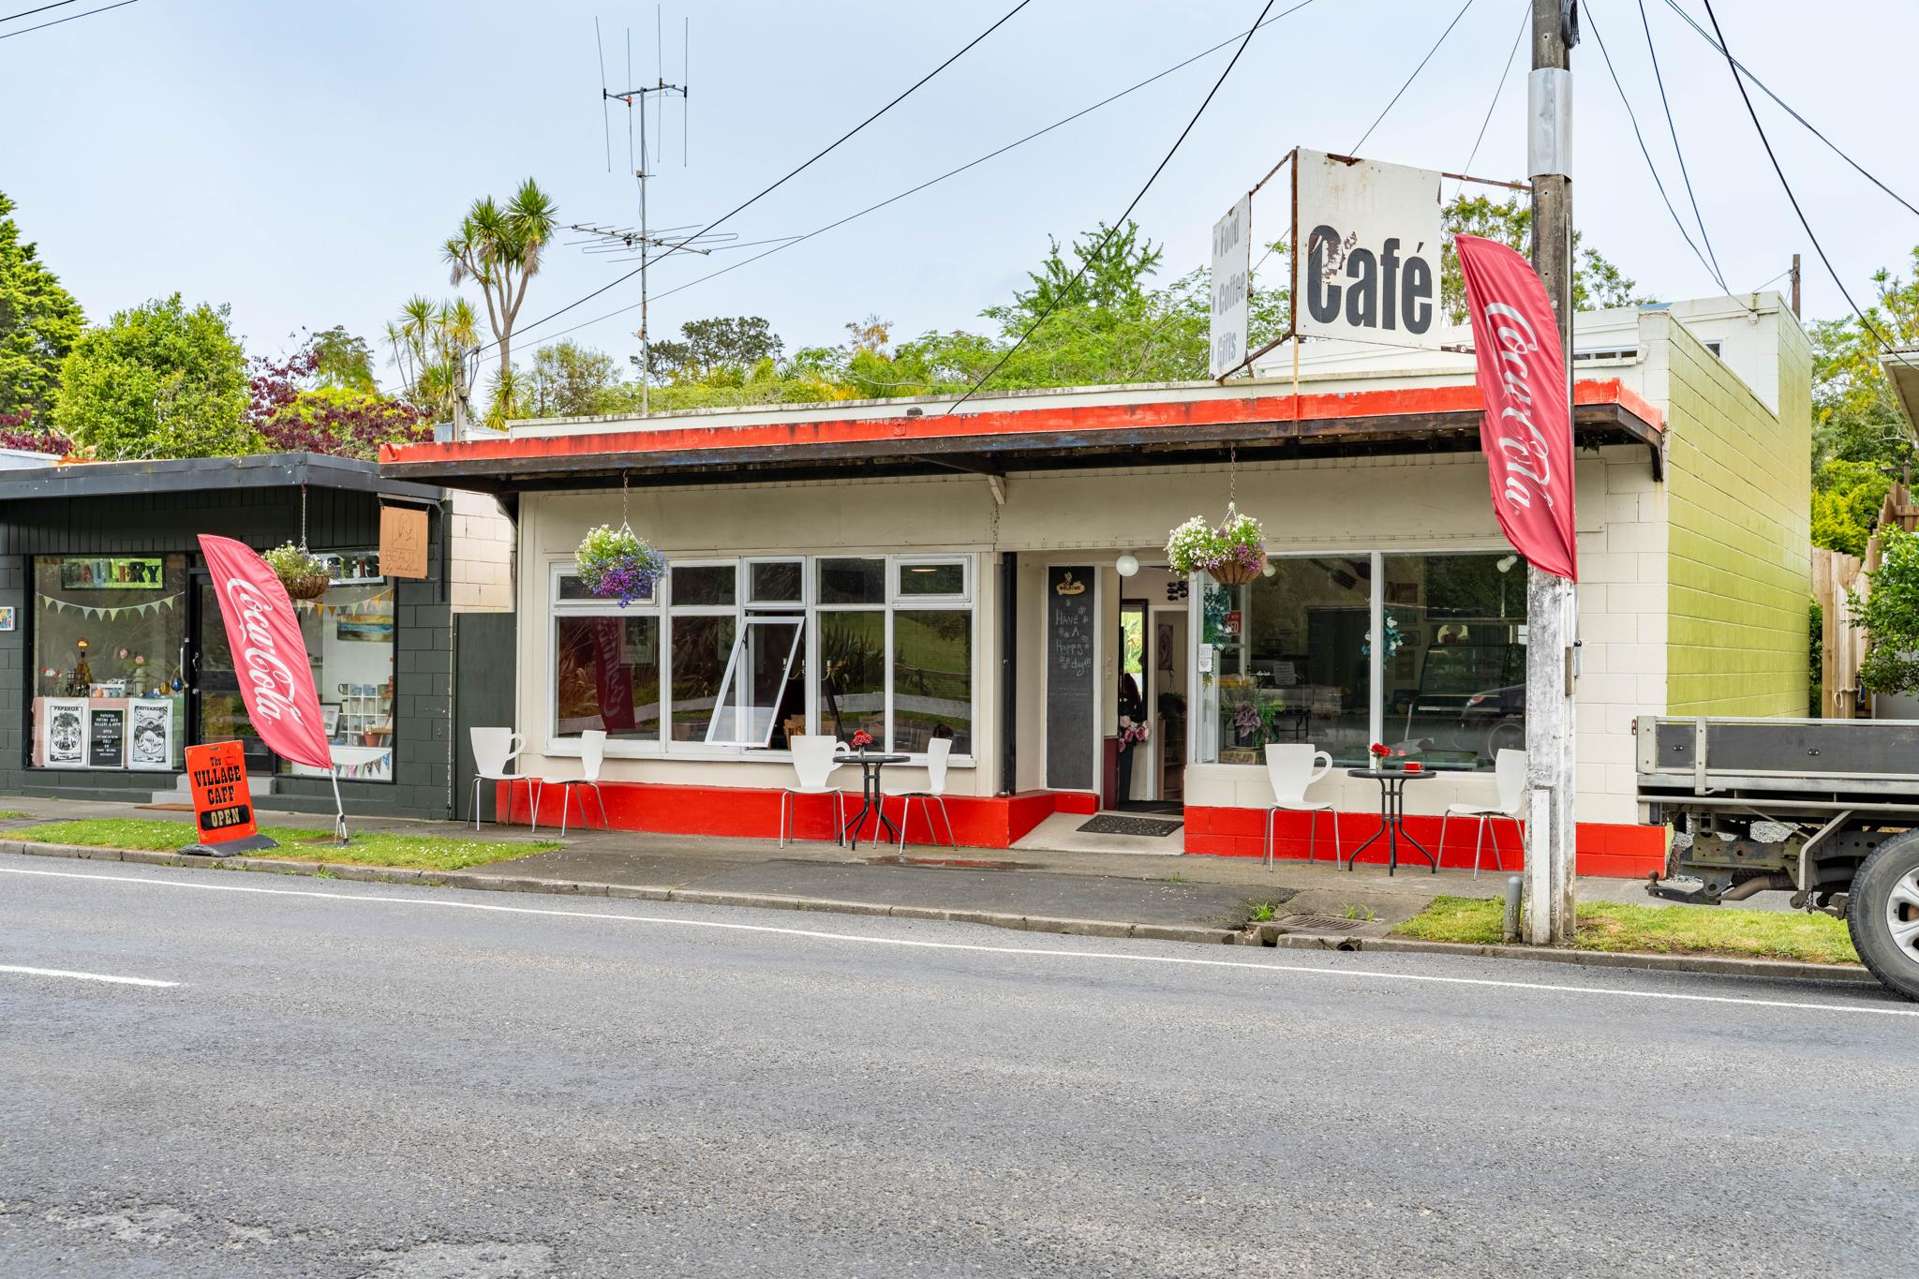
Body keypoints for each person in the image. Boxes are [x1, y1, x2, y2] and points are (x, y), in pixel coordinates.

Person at [1116, 672, 1146, 803]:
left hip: (1124, 737)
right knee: (1126, 767)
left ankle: (1121, 798)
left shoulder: (1123, 701)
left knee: (1123, 767)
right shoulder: (1135, 699)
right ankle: (1124, 797)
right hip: (1129, 738)